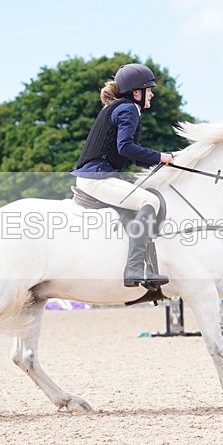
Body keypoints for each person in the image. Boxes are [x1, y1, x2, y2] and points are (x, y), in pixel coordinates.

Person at [71, 63, 174, 288]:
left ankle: (144, 264)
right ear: (136, 92)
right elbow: (125, 147)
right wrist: (160, 156)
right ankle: (134, 268)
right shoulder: (128, 109)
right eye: (149, 89)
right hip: (97, 179)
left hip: (96, 176)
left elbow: (134, 155)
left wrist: (163, 159)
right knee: (150, 201)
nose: (152, 94)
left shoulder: (120, 107)